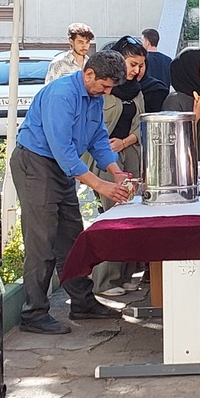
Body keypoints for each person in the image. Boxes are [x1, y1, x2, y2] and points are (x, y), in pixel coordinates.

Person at [11, 51, 131, 335]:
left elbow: (98, 138)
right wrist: (100, 185)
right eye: (105, 86)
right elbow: (63, 149)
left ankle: (82, 302)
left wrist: (116, 172)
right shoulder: (62, 95)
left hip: (60, 167)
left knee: (73, 238)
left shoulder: (94, 97)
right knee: (42, 241)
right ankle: (34, 313)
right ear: (89, 74)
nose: (107, 92)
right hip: (37, 163)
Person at [86, 37, 148, 297]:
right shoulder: (101, 90)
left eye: (141, 65)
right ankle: (105, 280)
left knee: (134, 213)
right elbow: (93, 127)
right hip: (106, 157)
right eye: (132, 64)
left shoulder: (137, 90)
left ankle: (127, 274)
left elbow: (142, 124)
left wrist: (126, 141)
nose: (136, 70)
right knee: (114, 215)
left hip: (130, 153)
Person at [162, 48, 200, 161]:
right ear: (192, 69)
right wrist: (195, 116)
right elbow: (171, 139)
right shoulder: (174, 100)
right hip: (187, 163)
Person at [140, 28, 172, 92]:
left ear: (147, 42)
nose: (141, 43)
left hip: (147, 94)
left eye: (142, 40)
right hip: (164, 94)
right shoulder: (168, 60)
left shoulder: (142, 60)